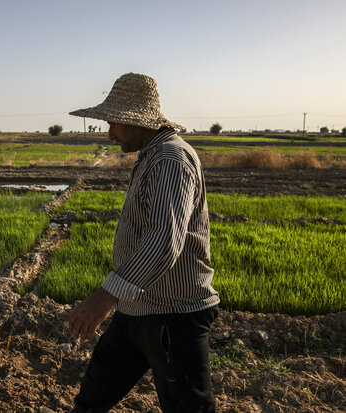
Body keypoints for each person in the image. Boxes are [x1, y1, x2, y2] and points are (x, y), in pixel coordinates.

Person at [67, 73, 220, 413]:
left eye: (114, 124)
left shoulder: (169, 159)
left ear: (136, 120)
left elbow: (165, 240)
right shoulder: (152, 156)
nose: (110, 134)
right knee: (91, 400)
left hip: (174, 315)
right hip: (136, 309)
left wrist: (105, 296)